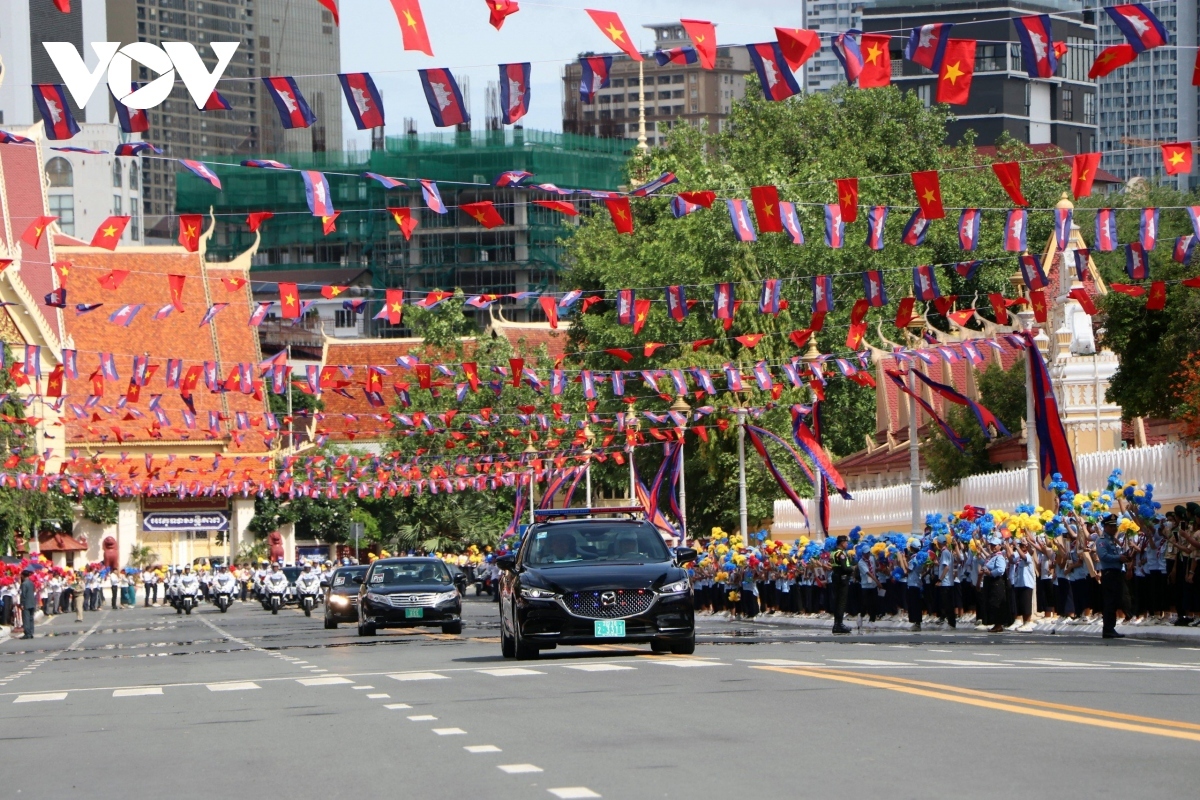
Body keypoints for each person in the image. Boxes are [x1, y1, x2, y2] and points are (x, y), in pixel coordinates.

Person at [1097, 514, 1130, 639]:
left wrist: (1124, 557)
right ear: (1105, 527)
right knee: (1109, 602)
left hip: (1116, 573)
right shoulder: (1102, 540)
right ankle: (1108, 629)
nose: (1114, 529)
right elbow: (1103, 556)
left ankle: (1111, 627)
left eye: (1115, 526)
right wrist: (1118, 558)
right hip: (1109, 573)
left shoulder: (1112, 540)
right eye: (1111, 527)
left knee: (1116, 601)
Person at [830, 535, 853, 634]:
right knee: (841, 602)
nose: (847, 544)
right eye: (846, 542)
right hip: (842, 579)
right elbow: (845, 568)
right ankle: (839, 624)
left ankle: (836, 624)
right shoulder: (841, 554)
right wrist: (853, 568)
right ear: (842, 543)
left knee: (837, 601)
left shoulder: (833, 553)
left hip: (835, 578)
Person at [19, 569, 38, 640]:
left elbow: (23, 594)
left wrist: (22, 603)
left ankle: (27, 633)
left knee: (26, 618)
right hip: (32, 602)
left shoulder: (24, 584)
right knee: (31, 618)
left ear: (23, 576)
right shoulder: (31, 583)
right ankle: (31, 632)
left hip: (26, 603)